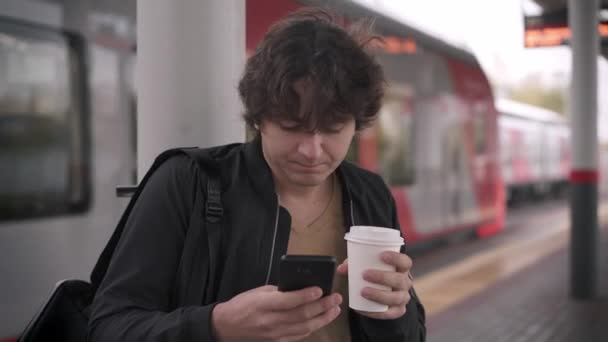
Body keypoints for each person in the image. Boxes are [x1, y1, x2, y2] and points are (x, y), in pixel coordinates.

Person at [89, 8, 425, 342]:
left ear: (356, 124)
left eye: (333, 128)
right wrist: (216, 325)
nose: (312, 150)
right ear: (258, 118)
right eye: (292, 127)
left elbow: (411, 335)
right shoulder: (188, 183)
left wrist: (397, 312)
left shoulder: (370, 194)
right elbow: (107, 326)